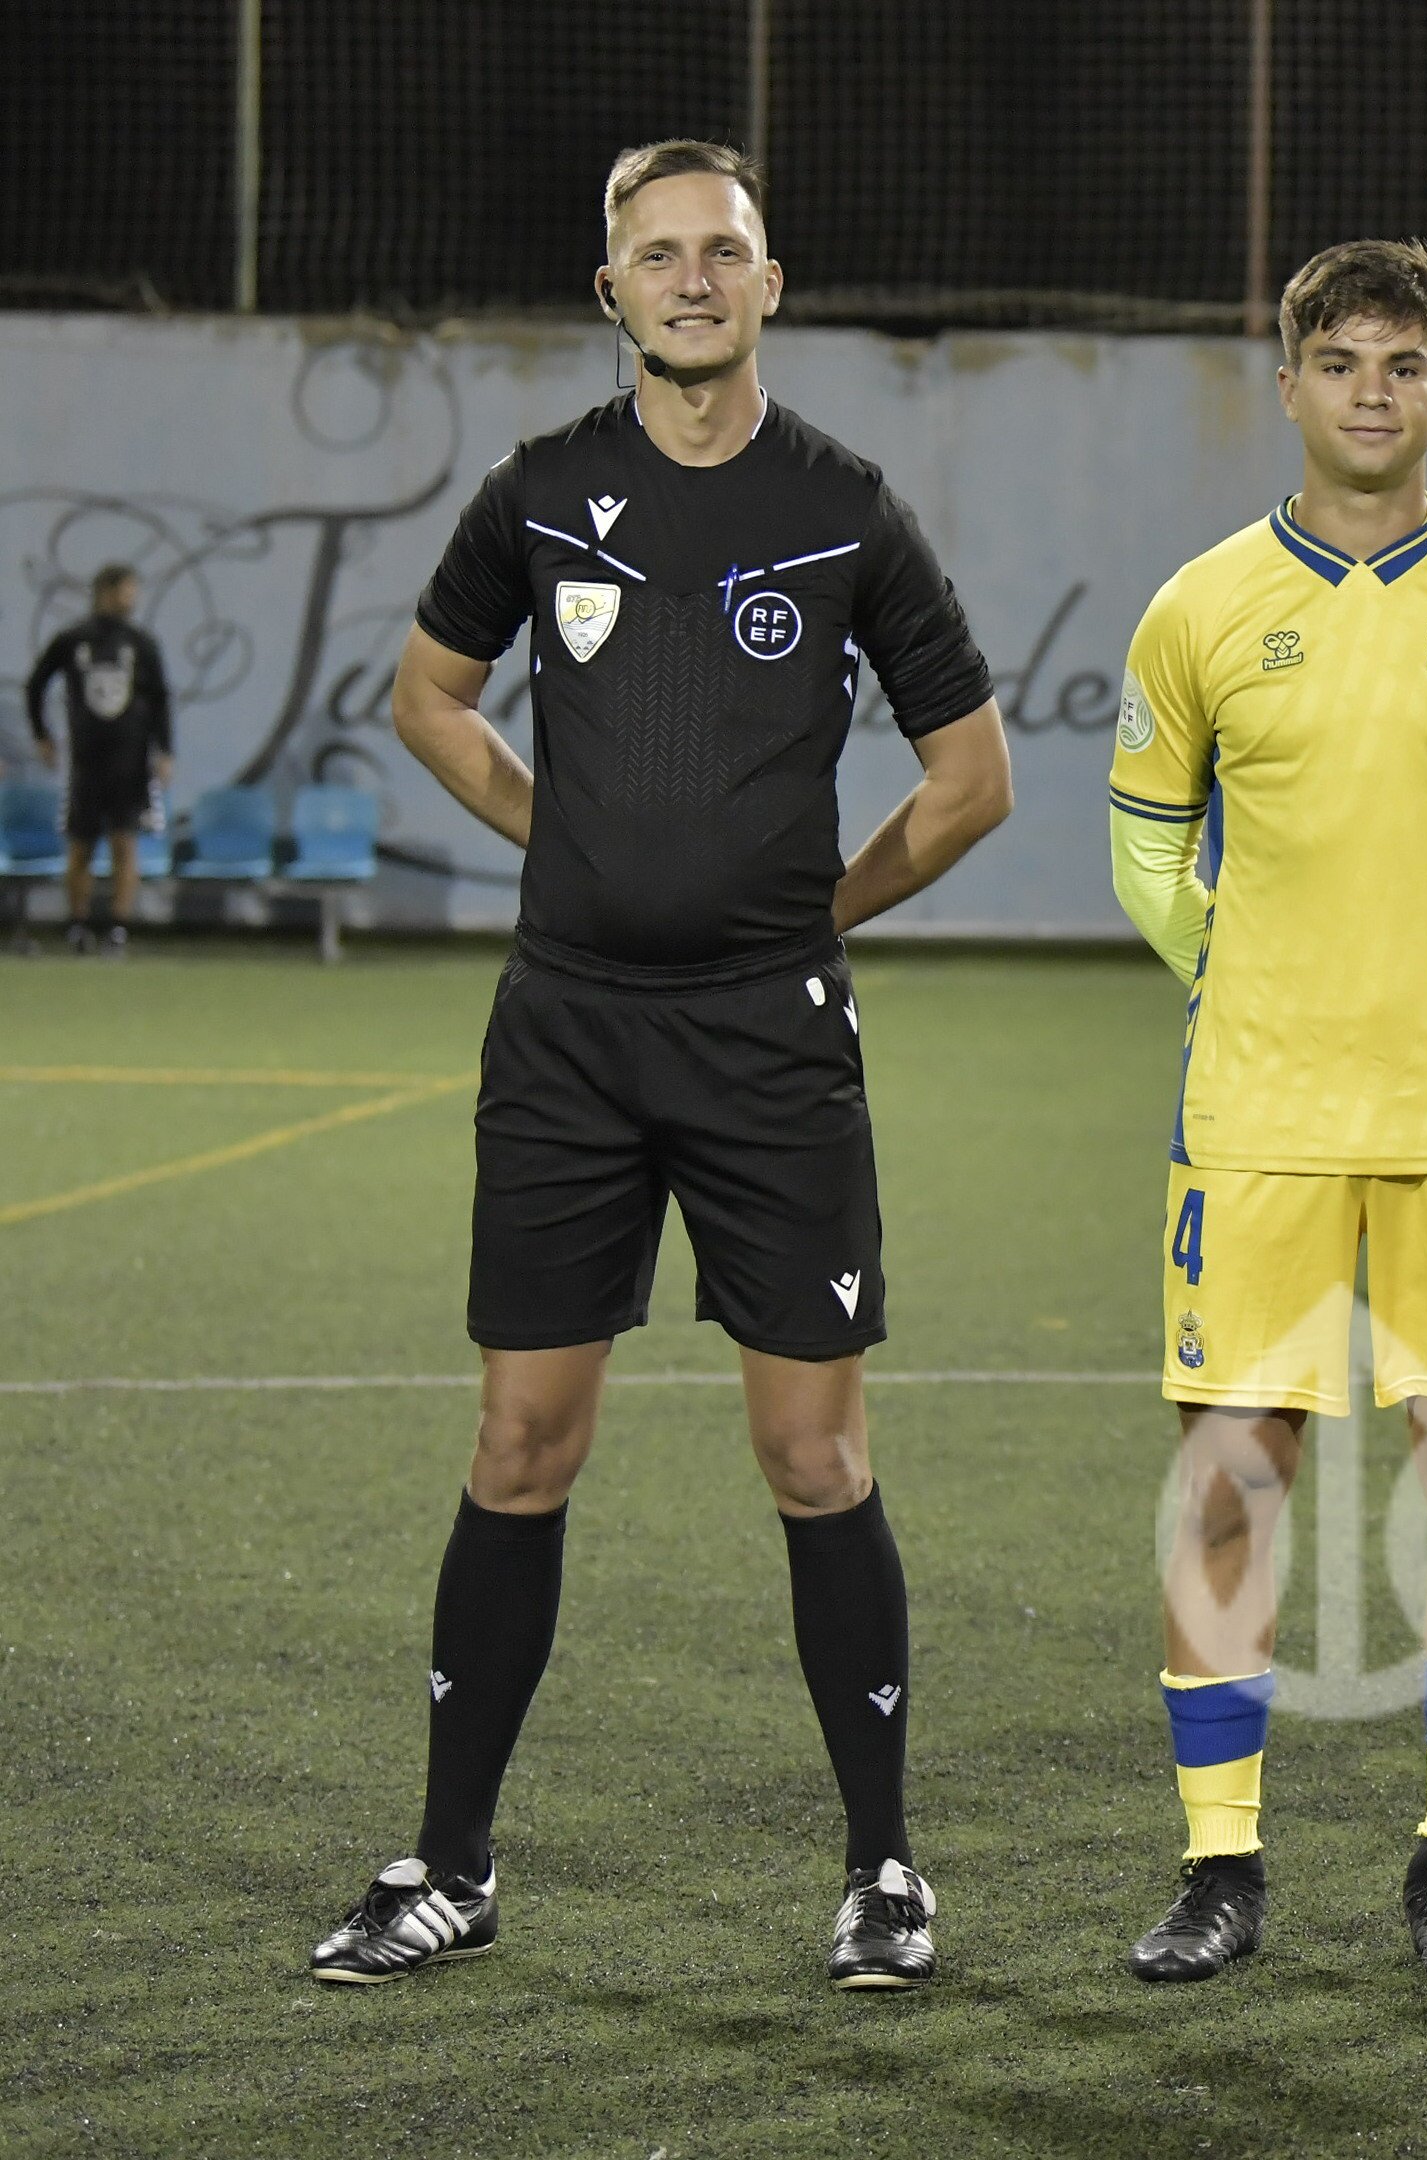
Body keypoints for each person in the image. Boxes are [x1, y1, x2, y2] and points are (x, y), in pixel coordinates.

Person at [311, 139, 1014, 1991]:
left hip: (768, 1043)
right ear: (609, 288)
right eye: (658, 255)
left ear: (773, 284)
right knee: (521, 1444)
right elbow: (428, 697)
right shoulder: (540, 495)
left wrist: (822, 913)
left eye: (726, 251)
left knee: (813, 1453)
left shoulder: (847, 509)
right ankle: (451, 1862)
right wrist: (556, 835)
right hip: (566, 1036)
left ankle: (881, 1870)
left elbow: (973, 782)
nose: (693, 278)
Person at [1104, 238, 1427, 1992]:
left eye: (1404, 363)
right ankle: (1218, 1864)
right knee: (1232, 1484)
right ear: (1293, 383)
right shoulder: (1201, 608)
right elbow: (1149, 848)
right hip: (1256, 1113)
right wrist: (1239, 985)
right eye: (1343, 363)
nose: (1373, 392)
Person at [24, 563, 174, 951]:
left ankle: (118, 929)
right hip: (86, 762)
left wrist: (166, 750)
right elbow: (36, 684)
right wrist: (43, 735)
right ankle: (77, 924)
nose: (132, 598)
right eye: (127, 590)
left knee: (125, 842)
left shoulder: (142, 644)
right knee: (81, 847)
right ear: (106, 592)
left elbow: (160, 700)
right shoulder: (74, 639)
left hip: (131, 762)